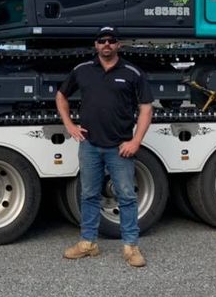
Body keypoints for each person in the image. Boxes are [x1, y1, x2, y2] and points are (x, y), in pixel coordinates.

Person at [55, 26, 154, 267]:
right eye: (102, 40)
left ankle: (131, 247)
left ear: (118, 44)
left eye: (111, 40)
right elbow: (61, 95)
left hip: (119, 146)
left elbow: (146, 107)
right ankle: (88, 243)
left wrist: (136, 141)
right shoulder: (83, 70)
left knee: (127, 196)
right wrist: (69, 125)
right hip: (89, 145)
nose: (106, 44)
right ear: (96, 45)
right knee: (89, 194)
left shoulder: (132, 72)